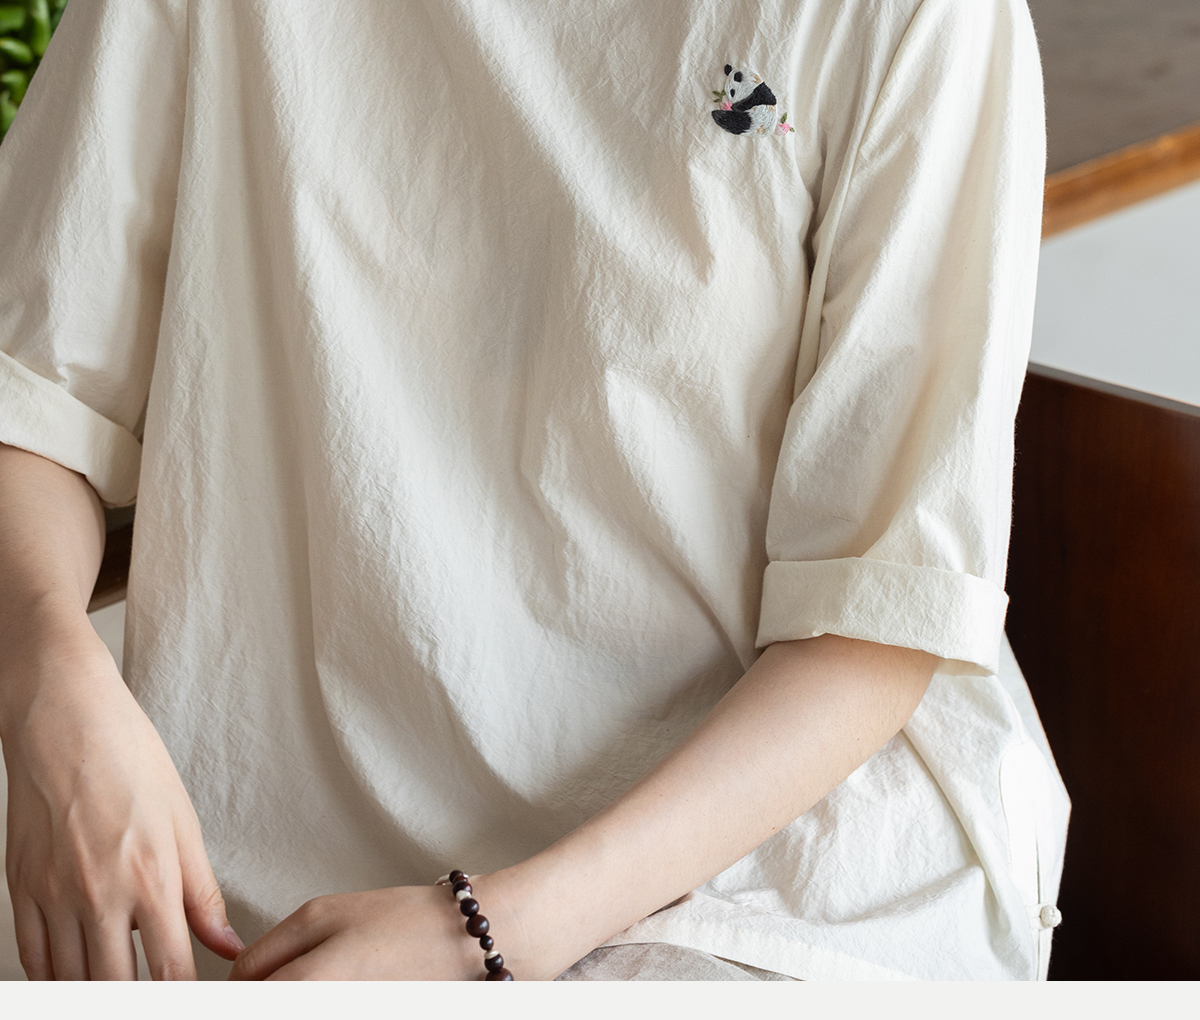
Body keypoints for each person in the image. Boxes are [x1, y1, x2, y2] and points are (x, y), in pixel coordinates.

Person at [0, 0, 1069, 981]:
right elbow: (31, 391)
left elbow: (877, 615)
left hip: (769, 882)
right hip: (283, 879)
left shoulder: (920, 20)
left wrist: (484, 931)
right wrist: (46, 670)